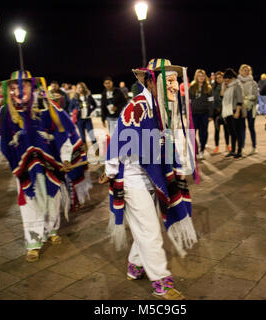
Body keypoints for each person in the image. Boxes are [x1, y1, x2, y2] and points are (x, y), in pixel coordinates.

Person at [99, 58, 198, 300]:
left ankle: (135, 265)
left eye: (176, 81)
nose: (176, 86)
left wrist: (176, 163)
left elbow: (163, 142)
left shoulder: (160, 106)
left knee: (146, 225)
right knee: (151, 230)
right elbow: (119, 141)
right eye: (171, 81)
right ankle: (161, 282)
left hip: (150, 176)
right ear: (155, 82)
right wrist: (110, 171)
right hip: (133, 177)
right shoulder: (138, 107)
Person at [0, 70, 92, 262]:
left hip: (49, 163)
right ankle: (33, 241)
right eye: (13, 87)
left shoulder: (47, 107)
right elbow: (5, 141)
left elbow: (65, 132)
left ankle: (51, 229)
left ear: (31, 86)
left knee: (52, 197)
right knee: (30, 202)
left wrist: (66, 158)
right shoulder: (6, 112)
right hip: (25, 166)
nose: (17, 90)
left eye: (21, 86)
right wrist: (16, 161)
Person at [189, 69, 213, 160]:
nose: (201, 77)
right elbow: (188, 102)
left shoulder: (208, 88)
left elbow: (211, 102)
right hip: (194, 114)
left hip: (204, 114)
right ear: (196, 77)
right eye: (199, 76)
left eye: (202, 76)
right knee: (192, 133)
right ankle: (195, 151)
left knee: (203, 133)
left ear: (205, 77)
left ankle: (202, 150)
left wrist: (210, 115)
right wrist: (188, 113)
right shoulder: (192, 87)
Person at [221, 68, 244, 159]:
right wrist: (224, 87)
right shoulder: (227, 86)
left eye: (228, 78)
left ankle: (239, 151)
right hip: (227, 111)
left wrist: (238, 111)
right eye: (225, 78)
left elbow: (240, 100)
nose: (226, 80)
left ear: (232, 78)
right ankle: (232, 150)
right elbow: (221, 96)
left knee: (237, 132)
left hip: (235, 110)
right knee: (231, 132)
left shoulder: (237, 85)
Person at [69, 82, 98, 148]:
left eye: (80, 87)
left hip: (88, 119)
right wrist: (74, 112)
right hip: (79, 120)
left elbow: (95, 105)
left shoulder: (88, 96)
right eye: (77, 87)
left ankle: (96, 150)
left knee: (92, 135)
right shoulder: (74, 98)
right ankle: (85, 151)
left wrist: (91, 111)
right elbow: (70, 108)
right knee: (82, 137)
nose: (79, 89)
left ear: (83, 88)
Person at [238, 64, 258, 155]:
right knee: (242, 128)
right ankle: (241, 147)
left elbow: (255, 96)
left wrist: (245, 99)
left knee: (251, 127)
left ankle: (254, 147)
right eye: (244, 70)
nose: (245, 72)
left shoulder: (253, 83)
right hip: (241, 108)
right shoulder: (237, 82)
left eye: (247, 70)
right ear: (240, 71)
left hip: (251, 107)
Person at [210, 71, 230, 154]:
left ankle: (227, 145)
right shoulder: (212, 87)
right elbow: (211, 100)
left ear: (223, 78)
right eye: (217, 77)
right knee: (217, 130)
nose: (218, 79)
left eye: (220, 77)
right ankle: (217, 146)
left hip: (225, 111)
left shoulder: (227, 86)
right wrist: (211, 112)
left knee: (226, 130)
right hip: (216, 112)